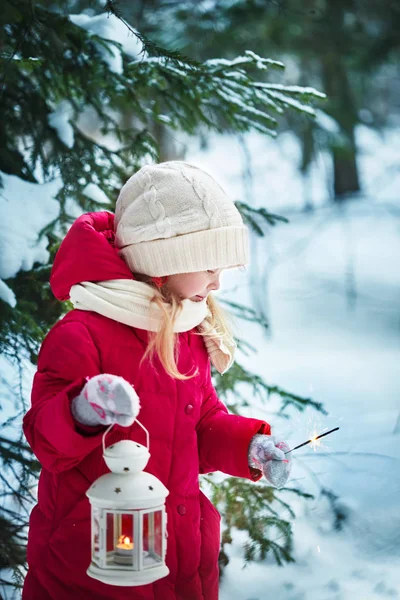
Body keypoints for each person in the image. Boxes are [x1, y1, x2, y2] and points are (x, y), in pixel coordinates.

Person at [22, 161, 292, 600]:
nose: (218, 282)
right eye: (209, 266)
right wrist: (83, 411)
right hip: (93, 568)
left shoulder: (186, 331)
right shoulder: (82, 334)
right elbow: (47, 444)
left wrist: (247, 445)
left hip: (179, 556)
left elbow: (198, 427)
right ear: (167, 258)